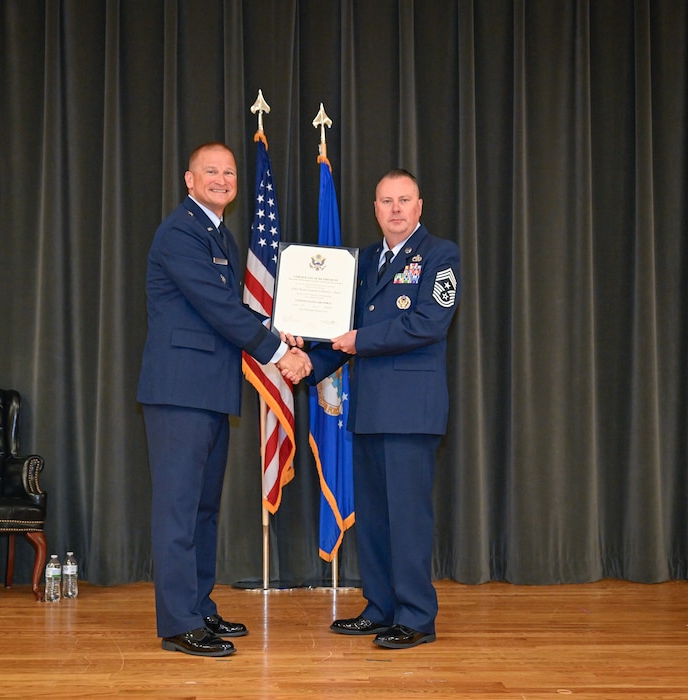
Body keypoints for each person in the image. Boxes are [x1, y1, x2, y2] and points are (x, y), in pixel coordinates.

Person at [137, 142, 311, 657]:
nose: (221, 179)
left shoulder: (222, 236)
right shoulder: (179, 233)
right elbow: (216, 307)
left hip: (209, 391)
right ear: (188, 180)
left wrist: (283, 332)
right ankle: (177, 623)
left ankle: (198, 606)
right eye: (209, 171)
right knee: (178, 510)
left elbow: (233, 310)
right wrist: (279, 351)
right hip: (178, 393)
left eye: (228, 172)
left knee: (203, 509)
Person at [303, 168, 460, 649]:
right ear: (375, 209)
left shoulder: (440, 254)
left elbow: (428, 323)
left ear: (419, 206)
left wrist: (359, 339)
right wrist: (304, 359)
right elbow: (339, 331)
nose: (394, 209)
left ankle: (415, 616)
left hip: (412, 410)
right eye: (386, 201)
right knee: (374, 516)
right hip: (369, 408)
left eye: (403, 200)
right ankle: (380, 607)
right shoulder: (365, 260)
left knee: (407, 517)